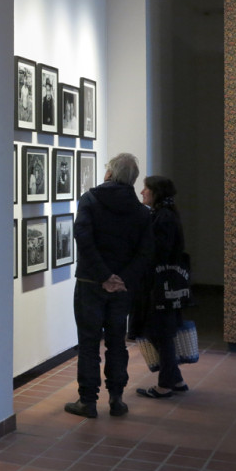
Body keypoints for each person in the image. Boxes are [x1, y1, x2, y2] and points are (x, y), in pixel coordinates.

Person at [65, 153, 153, 418]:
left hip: (91, 282)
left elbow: (84, 239)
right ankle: (116, 399)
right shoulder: (141, 211)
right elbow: (145, 251)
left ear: (108, 174)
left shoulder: (90, 200)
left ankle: (87, 401)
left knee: (89, 343)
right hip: (122, 288)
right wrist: (121, 278)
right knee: (117, 343)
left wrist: (104, 276)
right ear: (133, 179)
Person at [136, 176, 189, 398]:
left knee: (160, 333)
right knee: (161, 332)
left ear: (156, 192)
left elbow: (159, 251)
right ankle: (174, 379)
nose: (142, 192)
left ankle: (165, 384)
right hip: (164, 285)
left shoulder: (163, 217)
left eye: (146, 189)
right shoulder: (165, 214)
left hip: (160, 286)